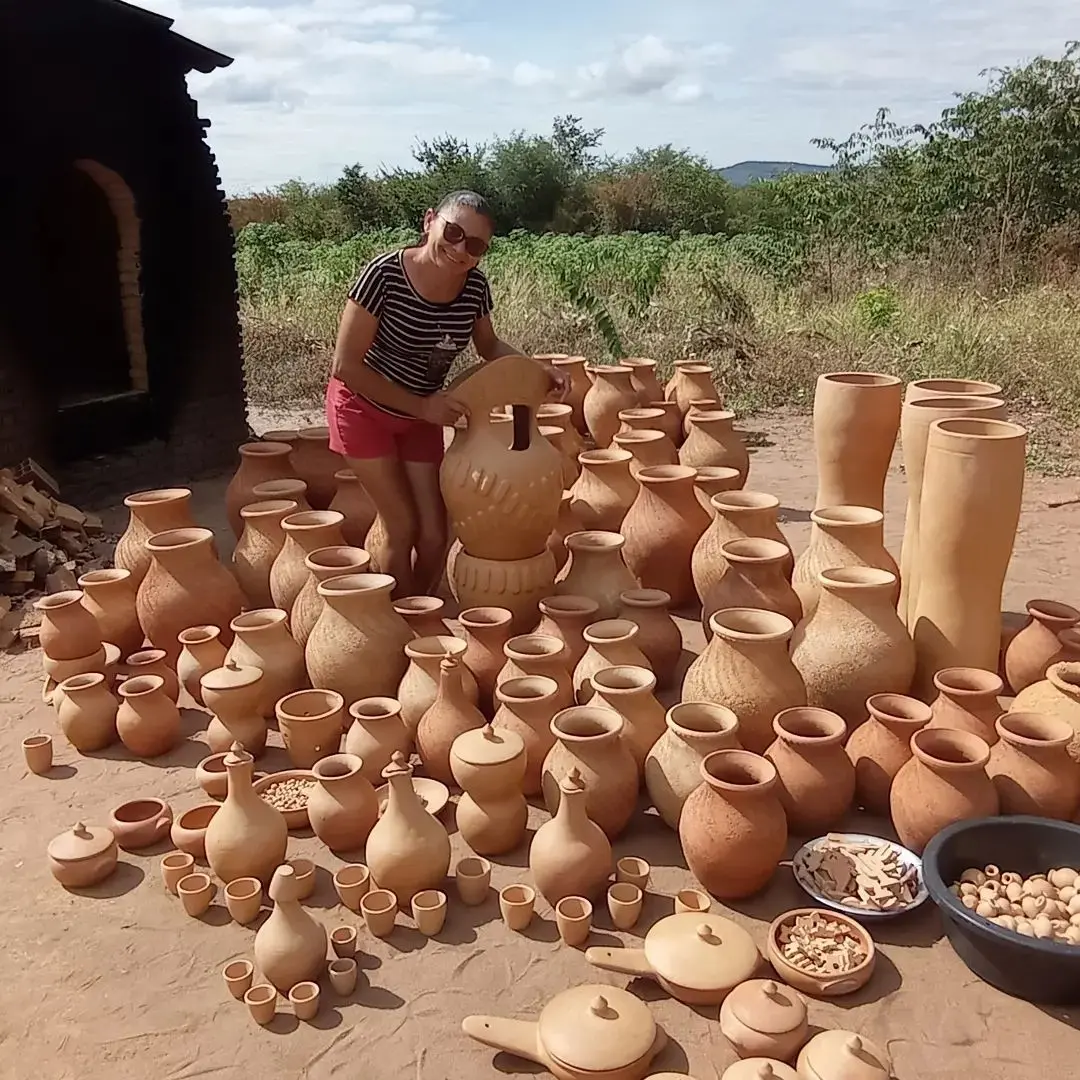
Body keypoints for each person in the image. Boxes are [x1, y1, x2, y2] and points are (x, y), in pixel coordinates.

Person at [326, 189, 567, 596]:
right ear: (429, 221)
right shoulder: (383, 275)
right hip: (363, 409)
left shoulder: (473, 288)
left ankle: (420, 610)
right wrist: (422, 406)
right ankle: (399, 624)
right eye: (453, 232)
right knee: (401, 527)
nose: (459, 249)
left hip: (422, 414)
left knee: (437, 534)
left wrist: (535, 369)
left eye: (474, 245)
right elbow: (345, 367)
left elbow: (489, 347)